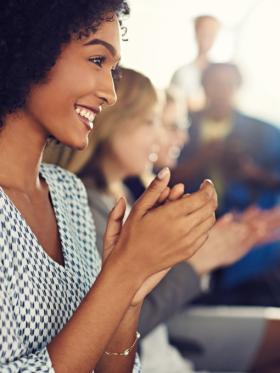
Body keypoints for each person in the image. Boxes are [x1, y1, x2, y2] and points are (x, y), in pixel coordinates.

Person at [0, 2, 219, 372]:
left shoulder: (67, 192)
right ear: (31, 49)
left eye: (113, 71)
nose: (110, 93)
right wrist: (124, 271)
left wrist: (130, 295)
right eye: (97, 61)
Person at [44, 69, 280, 373]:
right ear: (111, 124)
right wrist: (198, 263)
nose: (164, 137)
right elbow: (111, 323)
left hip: (162, 344)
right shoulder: (86, 204)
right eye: (150, 122)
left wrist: (204, 247)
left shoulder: (124, 195)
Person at [172, 62, 280, 289]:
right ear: (203, 85)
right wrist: (201, 158)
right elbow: (155, 176)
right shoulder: (180, 124)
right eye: (215, 84)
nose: (221, 90)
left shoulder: (264, 131)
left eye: (228, 84)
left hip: (248, 232)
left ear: (238, 86)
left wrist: (252, 173)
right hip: (188, 229)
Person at [170, 15, 221, 111]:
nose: (207, 36)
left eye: (211, 33)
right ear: (196, 33)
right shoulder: (182, 73)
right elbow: (173, 105)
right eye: (203, 31)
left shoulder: (222, 74)